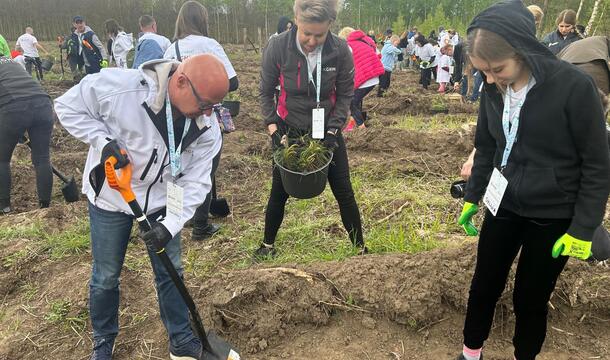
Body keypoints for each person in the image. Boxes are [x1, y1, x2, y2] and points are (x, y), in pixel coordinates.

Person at [455, 2, 610, 360]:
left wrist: (584, 229)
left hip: (553, 215)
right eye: (483, 72)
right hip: (504, 203)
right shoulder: (493, 90)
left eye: (497, 70)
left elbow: (598, 165)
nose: (490, 80)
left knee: (530, 299)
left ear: (522, 50)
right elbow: (487, 144)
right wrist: (473, 196)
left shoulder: (574, 87)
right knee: (483, 286)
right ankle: (470, 353)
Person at [54, 54, 229, 360]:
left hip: (164, 201)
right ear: (181, 82)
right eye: (205, 105)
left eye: (213, 107)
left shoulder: (207, 126)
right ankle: (104, 341)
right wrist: (103, 141)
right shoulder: (123, 89)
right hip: (112, 196)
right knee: (106, 275)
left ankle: (182, 340)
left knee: (171, 271)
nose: (209, 114)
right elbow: (67, 105)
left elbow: (199, 181)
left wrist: (170, 225)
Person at [257, 0, 366, 259]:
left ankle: (360, 248)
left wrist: (333, 131)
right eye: (307, 33)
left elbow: (345, 95)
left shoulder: (340, 50)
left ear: (330, 25)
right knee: (279, 191)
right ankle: (267, 246)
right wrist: (272, 127)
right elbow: (265, 91)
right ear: (296, 20)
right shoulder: (278, 46)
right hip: (289, 129)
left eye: (320, 34)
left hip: (326, 129)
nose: (312, 41)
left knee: (343, 189)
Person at [164, 0, 239, 241]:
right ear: (202, 21)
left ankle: (176, 219)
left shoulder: (171, 47)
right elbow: (232, 81)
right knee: (206, 168)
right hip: (205, 117)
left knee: (178, 168)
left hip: (175, 119)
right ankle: (200, 224)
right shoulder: (209, 45)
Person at [0, 55, 54, 214]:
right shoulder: (11, 61)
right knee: (42, 158)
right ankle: (45, 208)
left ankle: (4, 207)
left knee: (1, 159)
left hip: (13, 108)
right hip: (43, 104)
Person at [340, 27, 384, 129]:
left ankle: (361, 127)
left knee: (351, 102)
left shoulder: (349, 46)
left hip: (365, 79)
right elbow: (378, 54)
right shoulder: (366, 42)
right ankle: (353, 122)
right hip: (374, 77)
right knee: (357, 100)